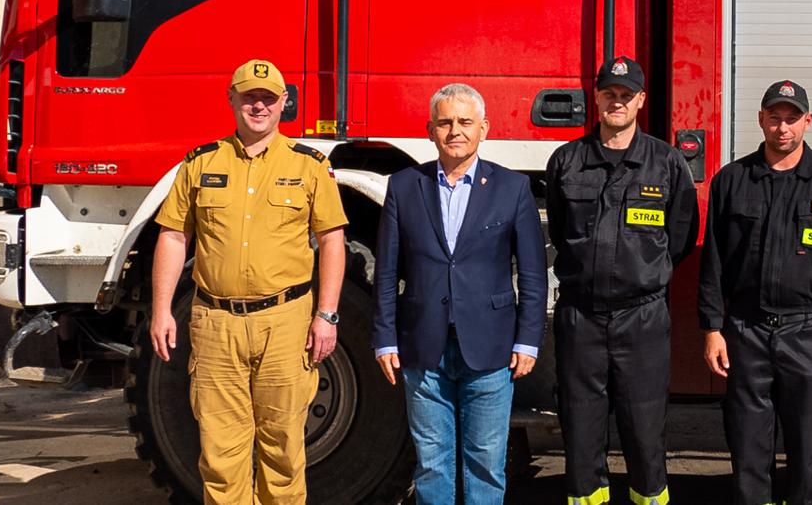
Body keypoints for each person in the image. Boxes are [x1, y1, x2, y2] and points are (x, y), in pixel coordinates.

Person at [150, 59, 347, 505]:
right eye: (249, 97)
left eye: (268, 98)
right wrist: (161, 311)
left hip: (285, 323)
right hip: (216, 324)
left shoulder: (310, 165)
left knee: (283, 450)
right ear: (231, 99)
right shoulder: (200, 162)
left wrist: (327, 315)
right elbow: (174, 236)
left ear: (283, 103)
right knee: (220, 456)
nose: (259, 106)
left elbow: (332, 240)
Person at [373, 83, 548, 504]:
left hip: (491, 347)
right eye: (445, 122)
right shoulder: (403, 186)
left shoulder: (511, 188)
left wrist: (528, 340)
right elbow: (386, 271)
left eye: (465, 122)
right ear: (430, 130)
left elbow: (532, 273)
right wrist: (385, 339)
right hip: (423, 348)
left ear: (483, 129)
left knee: (485, 463)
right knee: (432, 464)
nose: (455, 131)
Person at [699, 80, 812, 505]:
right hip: (746, 330)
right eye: (775, 118)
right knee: (748, 455)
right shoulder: (732, 180)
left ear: (808, 121)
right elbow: (713, 261)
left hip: (808, 331)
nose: (783, 128)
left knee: (808, 457)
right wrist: (712, 328)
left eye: (792, 118)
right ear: (761, 120)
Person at [544, 56, 699, 505]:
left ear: (641, 100)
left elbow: (680, 236)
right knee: (580, 435)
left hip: (641, 318)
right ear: (596, 98)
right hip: (581, 316)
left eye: (626, 95)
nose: (617, 102)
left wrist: (641, 273)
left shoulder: (666, 163)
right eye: (609, 93)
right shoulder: (567, 161)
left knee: (645, 434)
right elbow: (561, 231)